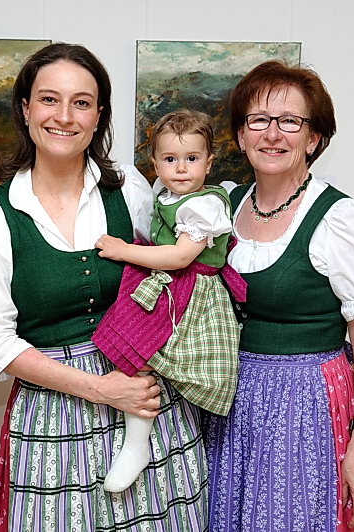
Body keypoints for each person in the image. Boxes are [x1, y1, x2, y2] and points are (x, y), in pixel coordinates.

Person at [0, 43, 207, 531]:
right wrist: (100, 389)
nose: (64, 116)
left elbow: (177, 273)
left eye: (81, 103)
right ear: (25, 109)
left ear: (98, 116)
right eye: (49, 99)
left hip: (145, 401)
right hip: (54, 410)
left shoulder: (129, 190)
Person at [204, 60, 354, 532]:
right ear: (241, 135)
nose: (273, 134)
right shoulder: (222, 206)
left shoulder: (340, 220)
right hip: (228, 402)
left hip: (304, 404)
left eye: (290, 121)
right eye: (258, 120)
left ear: (313, 138)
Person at [92, 109, 242, 493]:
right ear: (156, 164)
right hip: (170, 284)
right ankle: (137, 441)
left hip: (193, 293)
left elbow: (179, 256)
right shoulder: (164, 195)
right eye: (170, 159)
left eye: (192, 158)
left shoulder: (204, 205)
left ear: (209, 162)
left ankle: (138, 445)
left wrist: (123, 250)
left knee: (142, 350)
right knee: (130, 349)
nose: (181, 169)